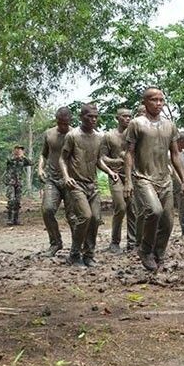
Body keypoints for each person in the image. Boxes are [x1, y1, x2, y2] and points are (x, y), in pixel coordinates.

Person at [124, 89, 184, 271]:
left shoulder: (170, 125)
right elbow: (129, 154)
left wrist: (183, 181)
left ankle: (159, 253)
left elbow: (175, 155)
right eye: (154, 100)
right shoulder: (136, 124)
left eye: (162, 100)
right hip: (143, 177)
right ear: (145, 102)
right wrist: (128, 181)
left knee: (168, 221)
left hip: (165, 179)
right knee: (154, 211)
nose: (159, 103)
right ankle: (145, 250)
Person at [60, 103, 116, 267]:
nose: (93, 119)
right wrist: (66, 176)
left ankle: (89, 255)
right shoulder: (72, 136)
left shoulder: (100, 137)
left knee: (96, 219)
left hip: (93, 185)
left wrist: (109, 171)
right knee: (85, 216)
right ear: (81, 117)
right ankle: (74, 253)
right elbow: (63, 159)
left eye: (95, 116)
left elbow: (99, 160)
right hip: (76, 184)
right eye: (89, 116)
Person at [38, 107, 74, 257]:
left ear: (70, 121)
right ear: (56, 120)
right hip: (52, 179)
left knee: (73, 216)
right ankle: (55, 243)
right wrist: (40, 168)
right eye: (60, 123)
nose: (63, 126)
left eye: (66, 123)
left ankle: (77, 246)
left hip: (71, 180)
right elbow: (43, 154)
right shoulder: (49, 134)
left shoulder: (75, 134)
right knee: (47, 210)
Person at [100, 108, 136, 253]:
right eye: (124, 116)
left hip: (132, 176)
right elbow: (102, 157)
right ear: (117, 118)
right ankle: (114, 242)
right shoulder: (108, 136)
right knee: (120, 207)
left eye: (129, 116)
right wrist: (118, 161)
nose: (127, 119)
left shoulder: (134, 135)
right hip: (115, 175)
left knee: (133, 208)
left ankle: (132, 242)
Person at [3, 145, 32, 226]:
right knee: (11, 200)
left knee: (17, 201)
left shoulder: (22, 160)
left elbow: (30, 163)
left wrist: (23, 156)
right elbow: (9, 161)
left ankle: (16, 219)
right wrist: (17, 156)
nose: (19, 151)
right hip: (10, 182)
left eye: (21, 149)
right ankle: (9, 219)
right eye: (18, 149)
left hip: (19, 183)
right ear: (14, 150)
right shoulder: (10, 158)